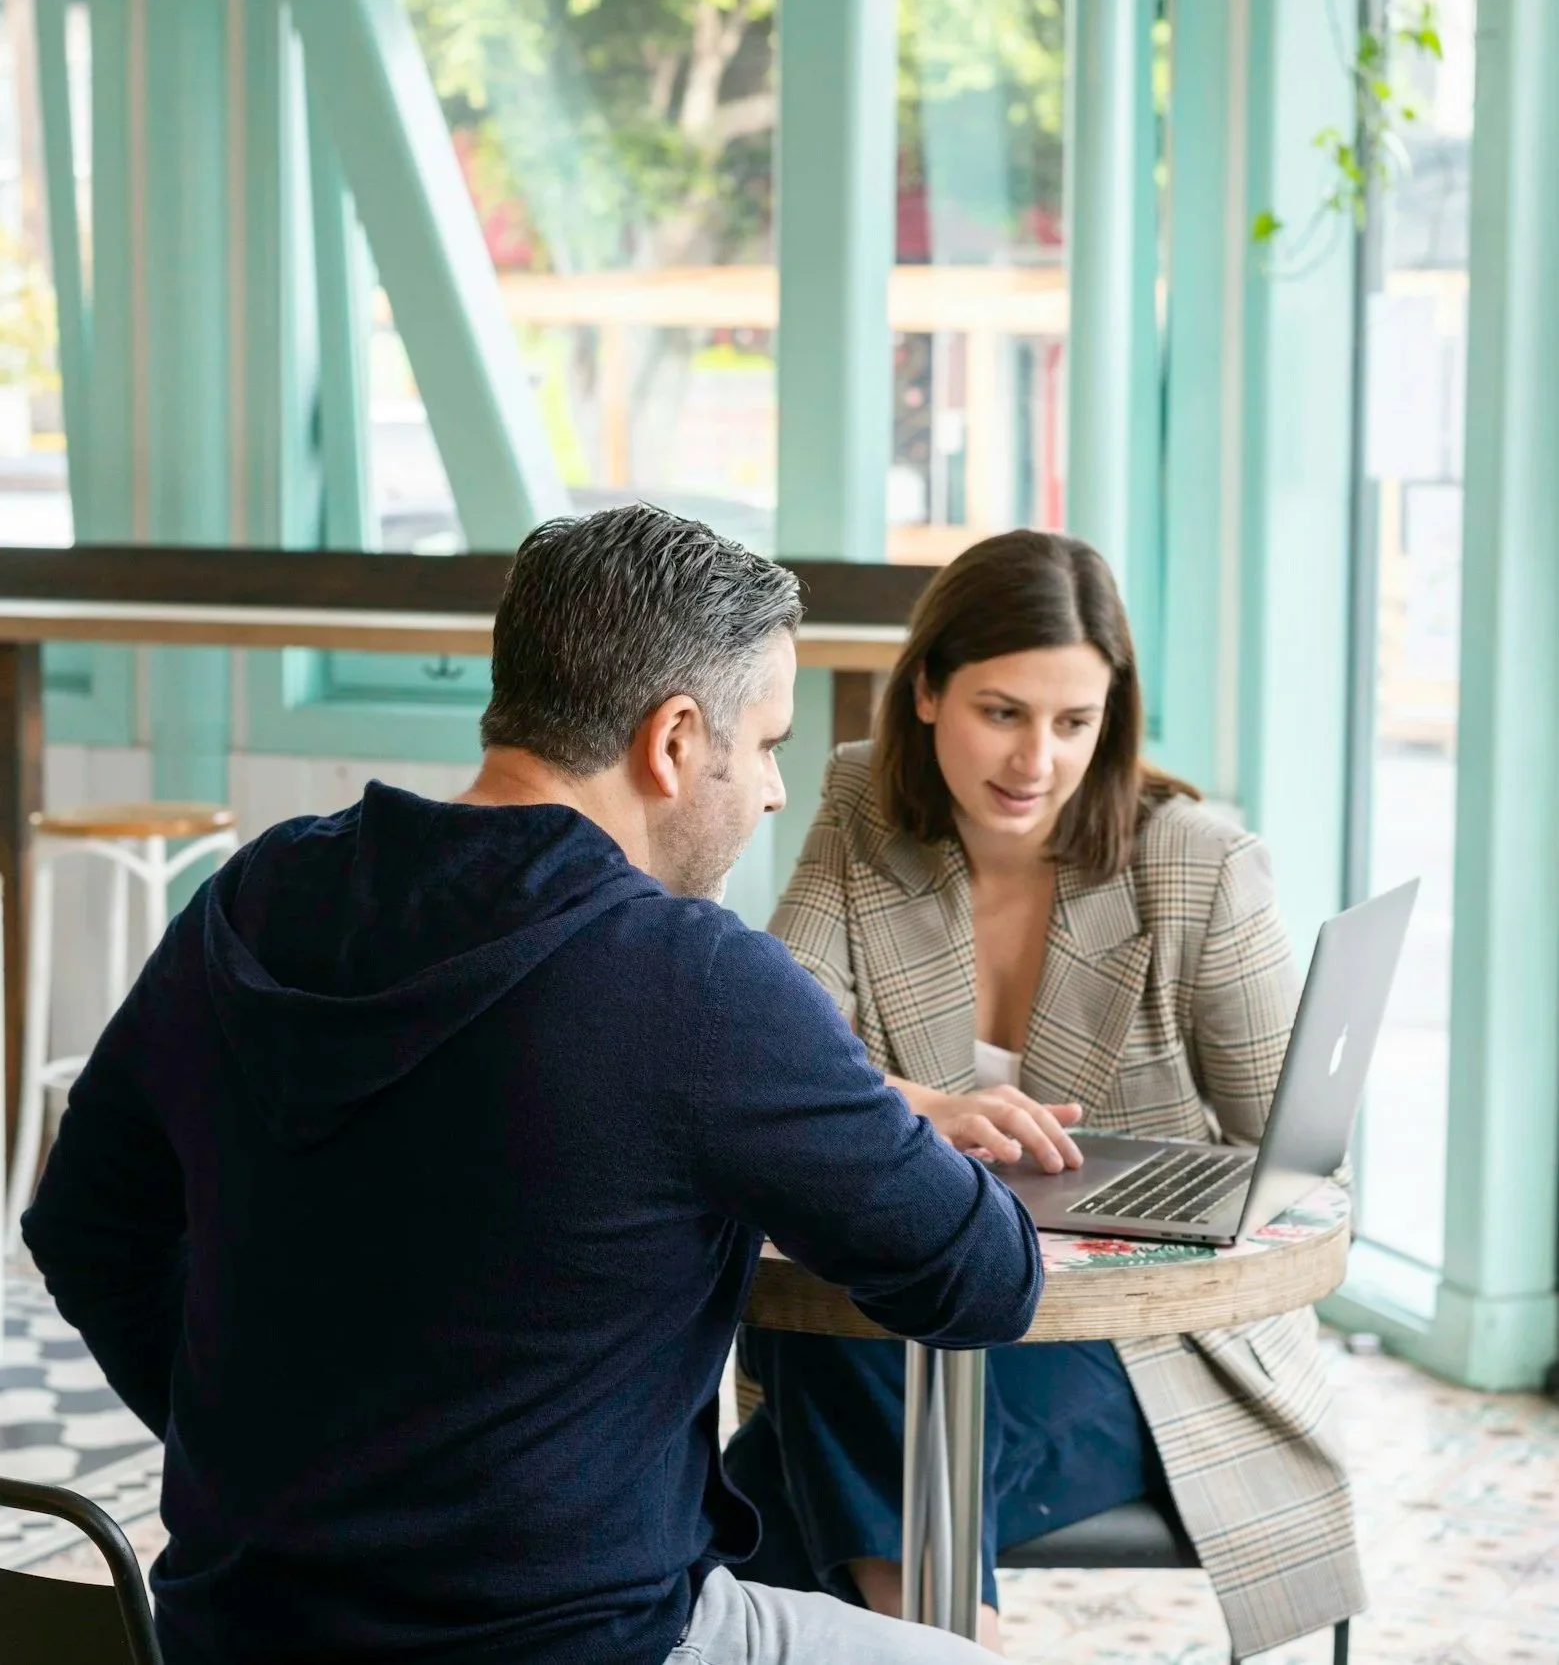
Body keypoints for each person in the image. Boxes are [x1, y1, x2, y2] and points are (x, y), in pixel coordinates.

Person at [21, 505, 1043, 1665]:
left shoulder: (254, 898)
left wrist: (261, 1465)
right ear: (670, 741)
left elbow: (84, 1223)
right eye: (763, 744)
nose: (770, 791)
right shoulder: (694, 982)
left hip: (237, 1632)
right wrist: (863, 1098)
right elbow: (982, 1277)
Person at [724, 530, 1364, 1660]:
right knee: (845, 1362)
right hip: (921, 1314)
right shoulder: (863, 804)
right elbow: (778, 1051)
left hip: (1140, 1347)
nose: (1037, 760)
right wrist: (914, 1102)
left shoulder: (1196, 864)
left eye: (1075, 722)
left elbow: (1302, 1161)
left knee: (753, 1483)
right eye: (1003, 711)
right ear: (925, 691)